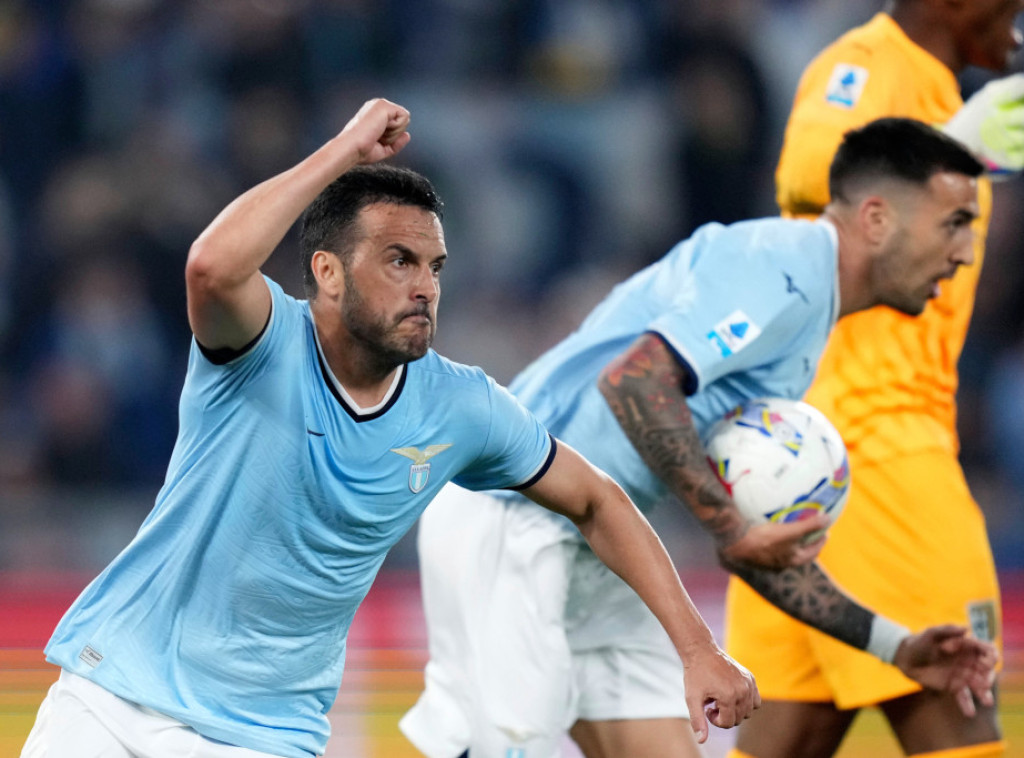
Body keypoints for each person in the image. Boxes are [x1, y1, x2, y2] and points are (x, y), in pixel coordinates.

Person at [18, 98, 762, 758]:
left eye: (435, 266)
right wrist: (344, 152)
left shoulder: (461, 406)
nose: (425, 287)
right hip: (115, 694)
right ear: (328, 272)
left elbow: (596, 499)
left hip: (262, 736)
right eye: (399, 260)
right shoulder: (262, 344)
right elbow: (211, 267)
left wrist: (697, 649)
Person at [401, 117, 1000, 758]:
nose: (966, 252)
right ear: (877, 218)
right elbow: (633, 381)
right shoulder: (784, 267)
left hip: (612, 545)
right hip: (516, 517)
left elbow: (750, 549)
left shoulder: (806, 316)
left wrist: (897, 648)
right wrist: (731, 529)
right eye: (954, 223)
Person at [724, 2, 1024, 756]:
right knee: (962, 724)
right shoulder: (866, 63)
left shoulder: (937, 87)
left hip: (810, 461)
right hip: (880, 454)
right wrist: (953, 147)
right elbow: (806, 176)